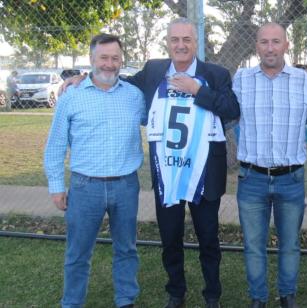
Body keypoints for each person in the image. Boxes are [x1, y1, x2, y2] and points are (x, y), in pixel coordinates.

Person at [61, 18, 240, 308]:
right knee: (170, 238)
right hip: (167, 171)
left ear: (196, 43)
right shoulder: (155, 70)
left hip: (203, 173)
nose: (180, 45)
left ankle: (212, 295)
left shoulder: (216, 74)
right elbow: (115, 79)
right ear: (167, 43)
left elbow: (232, 110)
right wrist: (83, 76)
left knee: (209, 239)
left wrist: (198, 91)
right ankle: (176, 292)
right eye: (174, 40)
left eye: (187, 40)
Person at [44, 33, 145, 308]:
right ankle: (72, 302)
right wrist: (56, 186)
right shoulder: (71, 95)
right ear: (91, 59)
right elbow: (55, 145)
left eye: (115, 58)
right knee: (78, 252)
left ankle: (126, 300)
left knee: (127, 249)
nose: (110, 64)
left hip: (126, 185)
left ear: (121, 60)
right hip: (84, 186)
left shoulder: (135, 96)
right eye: (104, 57)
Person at [232, 23, 307, 308]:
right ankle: (258, 298)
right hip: (252, 178)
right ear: (256, 45)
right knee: (254, 246)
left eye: (276, 41)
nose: (270, 47)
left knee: (290, 244)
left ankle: (287, 295)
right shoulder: (241, 79)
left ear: (286, 45)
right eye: (264, 42)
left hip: (290, 179)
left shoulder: (304, 80)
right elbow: (227, 116)